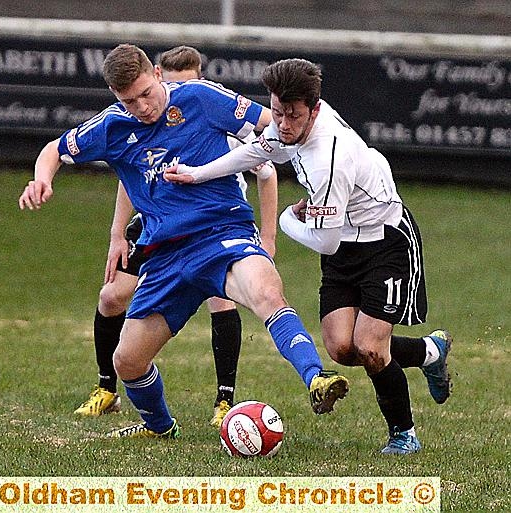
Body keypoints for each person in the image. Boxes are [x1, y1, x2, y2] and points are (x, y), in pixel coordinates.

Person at [18, 45, 349, 440]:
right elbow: (54, 149)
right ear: (113, 94)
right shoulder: (111, 127)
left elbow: (271, 122)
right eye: (129, 100)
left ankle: (316, 378)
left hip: (222, 234)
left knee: (267, 294)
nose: (142, 106)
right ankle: (159, 427)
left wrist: (319, 143)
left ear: (157, 74)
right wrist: (43, 178)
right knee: (127, 361)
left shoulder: (200, 98)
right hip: (164, 255)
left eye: (146, 93)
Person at [165, 58, 452, 454]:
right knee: (341, 348)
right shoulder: (287, 122)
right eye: (278, 112)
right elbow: (256, 151)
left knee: (370, 346)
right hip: (342, 239)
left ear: (315, 110)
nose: (283, 124)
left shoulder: (327, 156)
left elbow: (326, 242)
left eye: (294, 116)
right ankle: (430, 352)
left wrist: (283, 221)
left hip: (384, 240)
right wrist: (196, 174)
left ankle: (404, 436)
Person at [73, 45, 278, 429]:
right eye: (168, 84)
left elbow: (267, 174)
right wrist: (118, 233)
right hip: (157, 225)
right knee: (111, 295)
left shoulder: (214, 112)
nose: (165, 98)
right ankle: (107, 386)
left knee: (221, 299)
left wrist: (268, 236)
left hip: (214, 225)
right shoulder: (141, 116)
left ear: (199, 79)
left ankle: (224, 398)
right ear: (158, 75)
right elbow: (129, 173)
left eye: (185, 84)